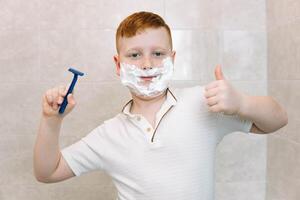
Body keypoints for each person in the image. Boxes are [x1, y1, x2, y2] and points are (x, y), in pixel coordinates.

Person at [34, 11, 288, 200]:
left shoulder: (202, 103)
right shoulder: (109, 133)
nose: (147, 64)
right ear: (118, 64)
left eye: (158, 54)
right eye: (134, 55)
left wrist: (243, 103)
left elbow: (277, 121)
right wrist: (51, 120)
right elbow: (48, 172)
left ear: (172, 59)